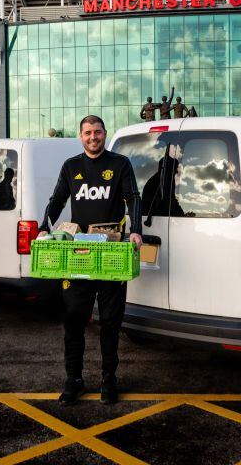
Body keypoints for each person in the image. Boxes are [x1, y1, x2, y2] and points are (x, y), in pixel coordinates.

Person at [41, 115, 143, 406]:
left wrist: (136, 231)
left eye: (97, 132)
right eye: (87, 133)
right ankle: (73, 379)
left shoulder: (120, 164)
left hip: (111, 255)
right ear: (80, 136)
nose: (93, 137)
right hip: (79, 257)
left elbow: (133, 198)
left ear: (105, 134)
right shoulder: (71, 166)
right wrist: (42, 226)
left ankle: (108, 380)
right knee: (73, 321)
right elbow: (57, 200)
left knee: (110, 323)